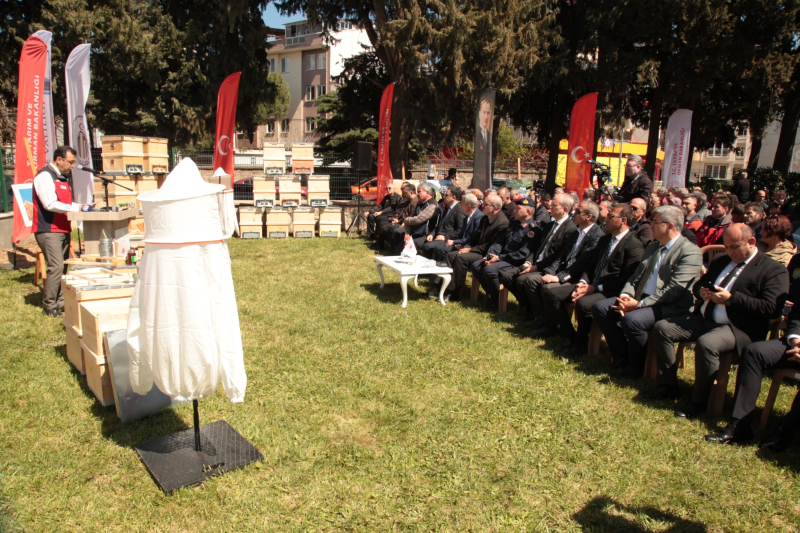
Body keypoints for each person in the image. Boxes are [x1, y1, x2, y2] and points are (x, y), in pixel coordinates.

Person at [644, 224, 788, 420]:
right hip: (703, 318)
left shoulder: (773, 269)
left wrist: (731, 299)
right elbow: (699, 285)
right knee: (662, 328)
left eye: (735, 247)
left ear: (752, 242)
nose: (730, 252)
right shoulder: (721, 260)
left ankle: (699, 400)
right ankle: (668, 385)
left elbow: (771, 308)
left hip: (737, 327)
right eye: (726, 246)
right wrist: (701, 292)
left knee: (708, 343)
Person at [591, 206, 703, 378]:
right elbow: (635, 276)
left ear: (670, 226)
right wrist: (625, 296)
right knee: (601, 308)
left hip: (669, 305)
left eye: (655, 222)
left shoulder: (690, 252)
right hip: (641, 297)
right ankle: (622, 354)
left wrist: (639, 305)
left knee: (632, 320)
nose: (650, 225)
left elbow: (674, 290)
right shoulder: (653, 247)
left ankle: (636, 367)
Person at [705, 253, 800, 449]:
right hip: (797, 345)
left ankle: (785, 430)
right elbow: (798, 314)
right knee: (754, 351)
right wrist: (796, 339)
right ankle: (740, 425)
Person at [553, 203, 646, 357]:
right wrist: (583, 283)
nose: (606, 219)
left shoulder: (634, 246)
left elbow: (625, 279)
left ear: (623, 220)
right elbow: (590, 266)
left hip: (610, 291)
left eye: (611, 216)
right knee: (553, 294)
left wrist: (596, 288)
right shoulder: (605, 239)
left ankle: (580, 344)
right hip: (591, 285)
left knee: (584, 304)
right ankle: (570, 335)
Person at [33, 146, 94, 317]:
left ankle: (60, 302)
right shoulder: (44, 176)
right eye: (71, 162)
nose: (73, 166)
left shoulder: (62, 178)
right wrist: (78, 207)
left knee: (63, 267)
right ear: (59, 159)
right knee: (56, 266)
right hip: (48, 229)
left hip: (63, 228)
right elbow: (50, 204)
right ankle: (49, 305)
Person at [534, 200, 606, 342]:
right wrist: (551, 272)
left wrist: (560, 278)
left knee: (550, 291)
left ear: (589, 216)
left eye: (578, 212)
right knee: (544, 284)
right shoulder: (575, 232)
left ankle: (567, 333)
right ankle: (551, 325)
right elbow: (561, 256)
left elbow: (582, 263)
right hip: (566, 272)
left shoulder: (597, 236)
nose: (574, 214)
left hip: (578, 278)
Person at [500, 193, 577, 319]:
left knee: (524, 280)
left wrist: (536, 267)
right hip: (535, 263)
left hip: (549, 268)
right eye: (551, 204)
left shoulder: (570, 229)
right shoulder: (550, 225)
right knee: (507, 276)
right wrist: (529, 262)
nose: (550, 207)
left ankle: (538, 313)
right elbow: (537, 248)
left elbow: (558, 256)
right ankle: (529, 306)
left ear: (565, 209)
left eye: (554, 205)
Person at [470, 199, 540, 310]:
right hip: (501, 259)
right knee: (476, 266)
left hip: (514, 262)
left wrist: (498, 258)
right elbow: (499, 241)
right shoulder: (513, 224)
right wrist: (491, 255)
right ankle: (494, 294)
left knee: (490, 270)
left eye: (518, 209)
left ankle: (496, 299)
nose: (515, 211)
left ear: (528, 212)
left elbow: (522, 254)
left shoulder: (533, 230)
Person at [436, 195, 509, 301]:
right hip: (476, 249)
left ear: (496, 207)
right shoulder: (485, 218)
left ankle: (454, 292)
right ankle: (439, 286)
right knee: (451, 255)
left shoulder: (502, 223)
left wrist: (470, 250)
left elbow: (490, 245)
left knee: (462, 258)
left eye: (486, 204)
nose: (482, 206)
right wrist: (467, 246)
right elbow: (475, 237)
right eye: (483, 203)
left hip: (486, 253)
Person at [433, 193, 484, 261]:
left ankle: (447, 269)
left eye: (462, 204)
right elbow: (462, 233)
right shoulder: (467, 217)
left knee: (444, 250)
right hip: (462, 243)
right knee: (438, 248)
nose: (460, 206)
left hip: (470, 246)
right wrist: (458, 242)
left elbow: (473, 237)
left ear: (469, 206)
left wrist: (455, 242)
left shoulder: (479, 217)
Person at [418, 186, 465, 258]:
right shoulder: (447, 208)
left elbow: (460, 229)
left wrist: (445, 237)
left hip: (447, 239)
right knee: (417, 242)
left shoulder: (459, 209)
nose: (444, 197)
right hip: (437, 236)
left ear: (454, 197)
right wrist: (432, 234)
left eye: (446, 195)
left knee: (427, 246)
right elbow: (439, 224)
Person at [395, 182, 439, 254]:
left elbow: (418, 220)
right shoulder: (419, 203)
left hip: (425, 235)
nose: (417, 194)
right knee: (399, 249)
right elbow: (411, 217)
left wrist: (405, 220)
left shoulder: (432, 205)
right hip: (413, 233)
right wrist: (408, 232)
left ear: (427, 192)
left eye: (419, 192)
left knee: (405, 250)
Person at [473, 99, 493, 186]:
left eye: (488, 113)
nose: (486, 116)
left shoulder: (489, 134)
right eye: (484, 112)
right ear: (479, 113)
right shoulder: (476, 133)